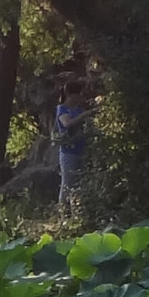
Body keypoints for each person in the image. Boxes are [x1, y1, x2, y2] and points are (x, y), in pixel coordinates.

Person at [53, 76, 91, 208]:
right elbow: (67, 123)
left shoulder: (79, 110)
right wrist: (84, 116)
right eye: (79, 94)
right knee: (67, 183)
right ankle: (63, 212)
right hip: (68, 152)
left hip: (82, 149)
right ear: (71, 95)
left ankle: (77, 211)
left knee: (80, 183)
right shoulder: (62, 109)